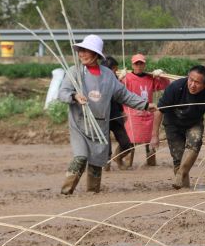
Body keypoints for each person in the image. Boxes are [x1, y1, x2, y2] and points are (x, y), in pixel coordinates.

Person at [57, 35, 154, 194]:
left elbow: (124, 95)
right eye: (81, 50)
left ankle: (92, 193)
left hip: (100, 125)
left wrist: (144, 105)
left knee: (97, 161)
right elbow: (62, 92)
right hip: (79, 123)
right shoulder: (74, 71)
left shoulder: (108, 75)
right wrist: (74, 96)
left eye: (86, 51)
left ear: (96, 54)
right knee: (80, 157)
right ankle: (66, 192)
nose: (82, 54)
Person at [150, 65, 205, 189]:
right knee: (178, 158)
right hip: (173, 124)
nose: (192, 85)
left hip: (194, 123)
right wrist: (154, 135)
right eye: (191, 80)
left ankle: (181, 174)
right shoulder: (176, 87)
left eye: (197, 82)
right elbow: (159, 110)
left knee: (195, 142)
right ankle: (184, 190)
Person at [121, 53, 170, 167]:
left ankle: (151, 164)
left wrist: (162, 76)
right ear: (132, 65)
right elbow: (117, 89)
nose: (138, 66)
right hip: (132, 114)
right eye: (136, 63)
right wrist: (119, 78)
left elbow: (164, 85)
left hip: (148, 113)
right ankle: (127, 165)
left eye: (141, 63)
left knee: (151, 140)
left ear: (144, 65)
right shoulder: (127, 78)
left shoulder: (150, 78)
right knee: (131, 140)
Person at [102, 56, 134, 171]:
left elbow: (120, 97)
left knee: (126, 143)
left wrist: (122, 111)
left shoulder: (114, 79)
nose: (116, 71)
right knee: (106, 146)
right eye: (115, 69)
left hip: (116, 115)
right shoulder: (97, 79)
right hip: (102, 117)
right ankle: (105, 167)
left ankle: (118, 158)